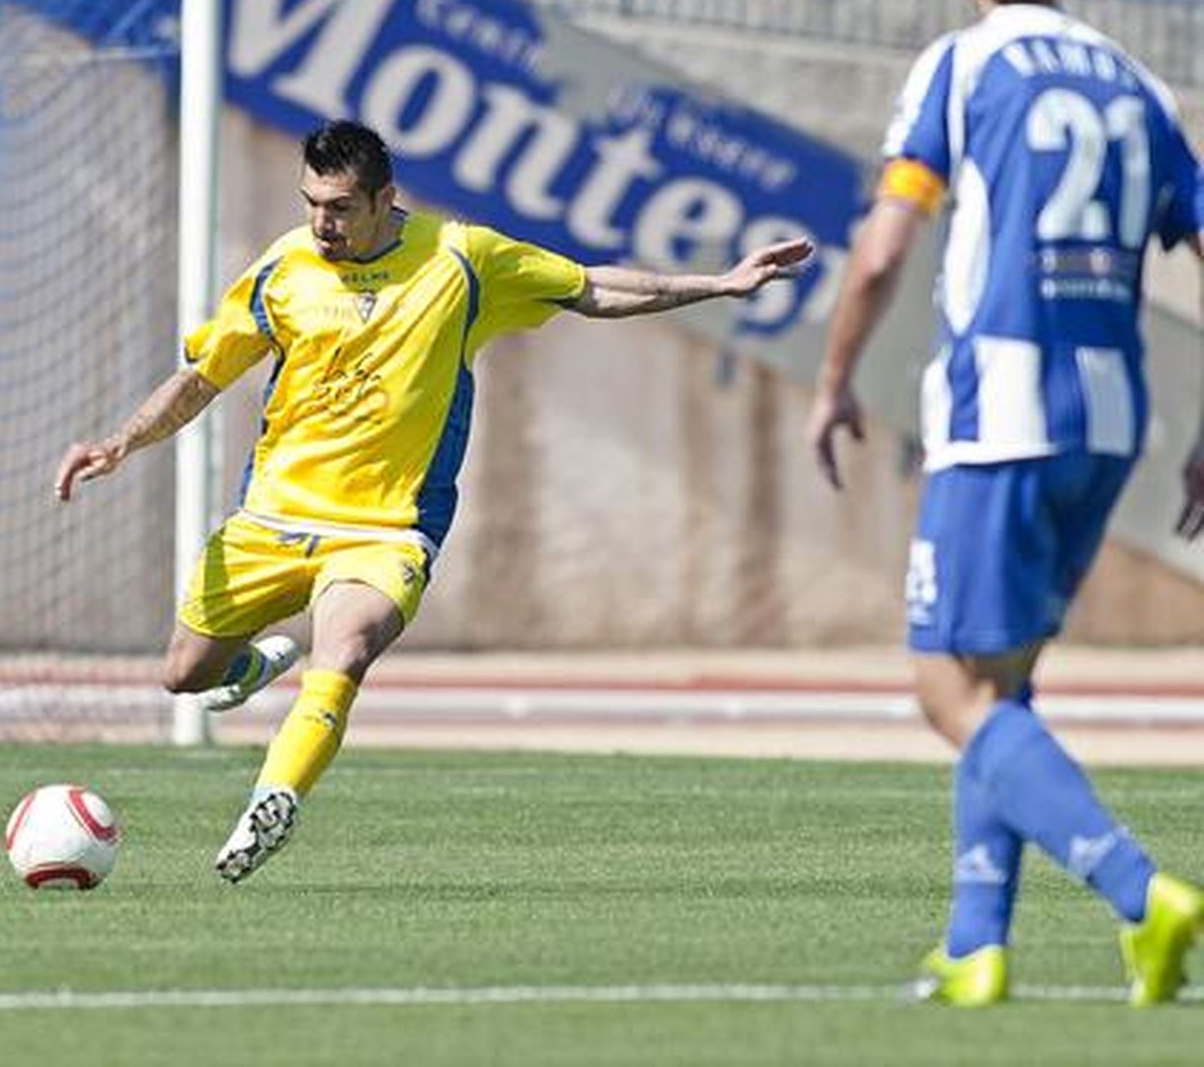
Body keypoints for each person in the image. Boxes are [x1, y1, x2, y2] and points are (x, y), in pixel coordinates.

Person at [56, 119, 811, 883]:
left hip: (384, 529)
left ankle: (273, 800)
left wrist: (720, 284)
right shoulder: (284, 267)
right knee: (185, 675)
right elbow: (203, 376)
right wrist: (121, 442)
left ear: (385, 198)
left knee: (344, 651)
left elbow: (590, 288)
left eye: (340, 208)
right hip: (272, 519)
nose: (322, 223)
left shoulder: (461, 259)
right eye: (311, 203)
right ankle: (249, 665)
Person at [808, 0, 1204, 1008]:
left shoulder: (962, 64)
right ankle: (976, 945)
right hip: (1110, 420)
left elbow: (884, 248)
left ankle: (1142, 893)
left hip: (1001, 415)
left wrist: (831, 382)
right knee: (1001, 686)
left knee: (945, 688)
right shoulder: (1136, 84)